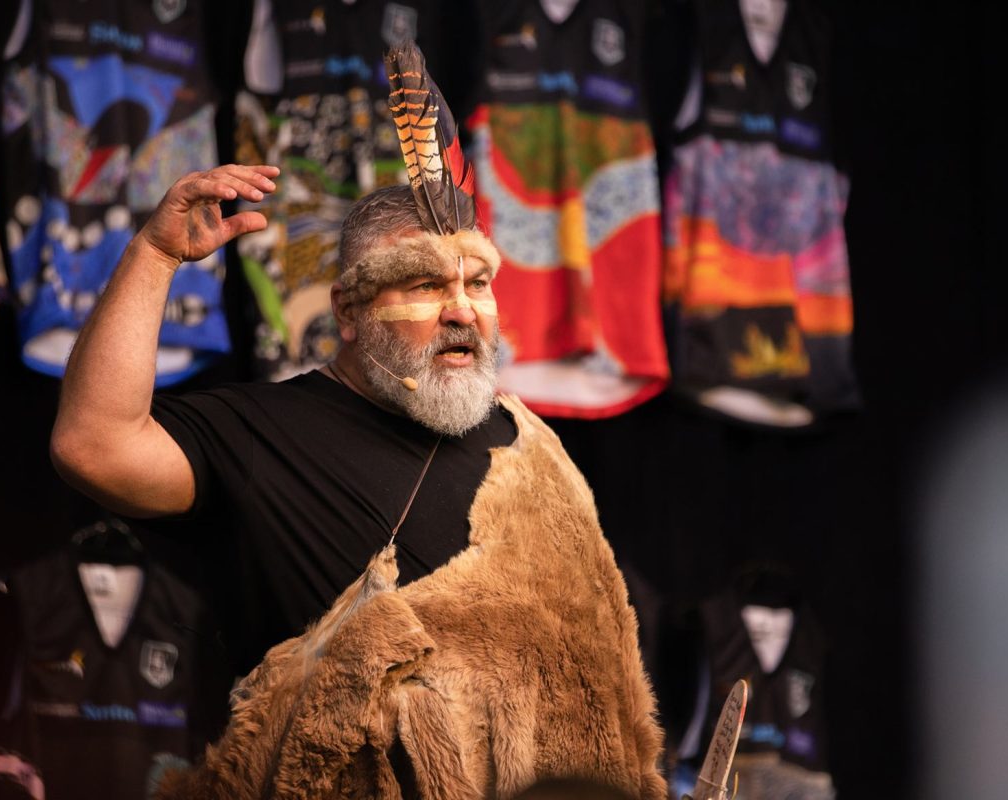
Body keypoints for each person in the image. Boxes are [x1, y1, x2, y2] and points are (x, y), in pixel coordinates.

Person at [50, 165, 667, 800]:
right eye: (426, 284)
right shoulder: (260, 432)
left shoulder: (531, 444)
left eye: (478, 283)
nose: (462, 310)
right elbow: (94, 446)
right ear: (348, 310)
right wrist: (154, 256)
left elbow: (606, 692)